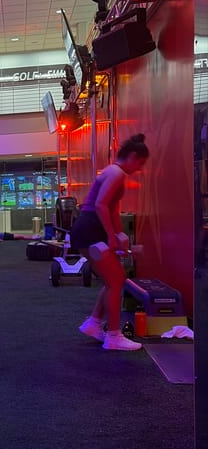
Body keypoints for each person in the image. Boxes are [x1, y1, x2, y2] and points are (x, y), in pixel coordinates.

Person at [70, 134, 149, 351]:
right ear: (133, 156)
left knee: (114, 278)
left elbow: (113, 209)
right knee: (115, 280)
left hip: (88, 228)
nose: (140, 169)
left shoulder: (114, 172)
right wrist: (111, 236)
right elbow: (101, 205)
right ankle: (113, 336)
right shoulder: (115, 173)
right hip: (90, 228)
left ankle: (94, 324)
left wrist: (119, 235)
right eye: (141, 163)